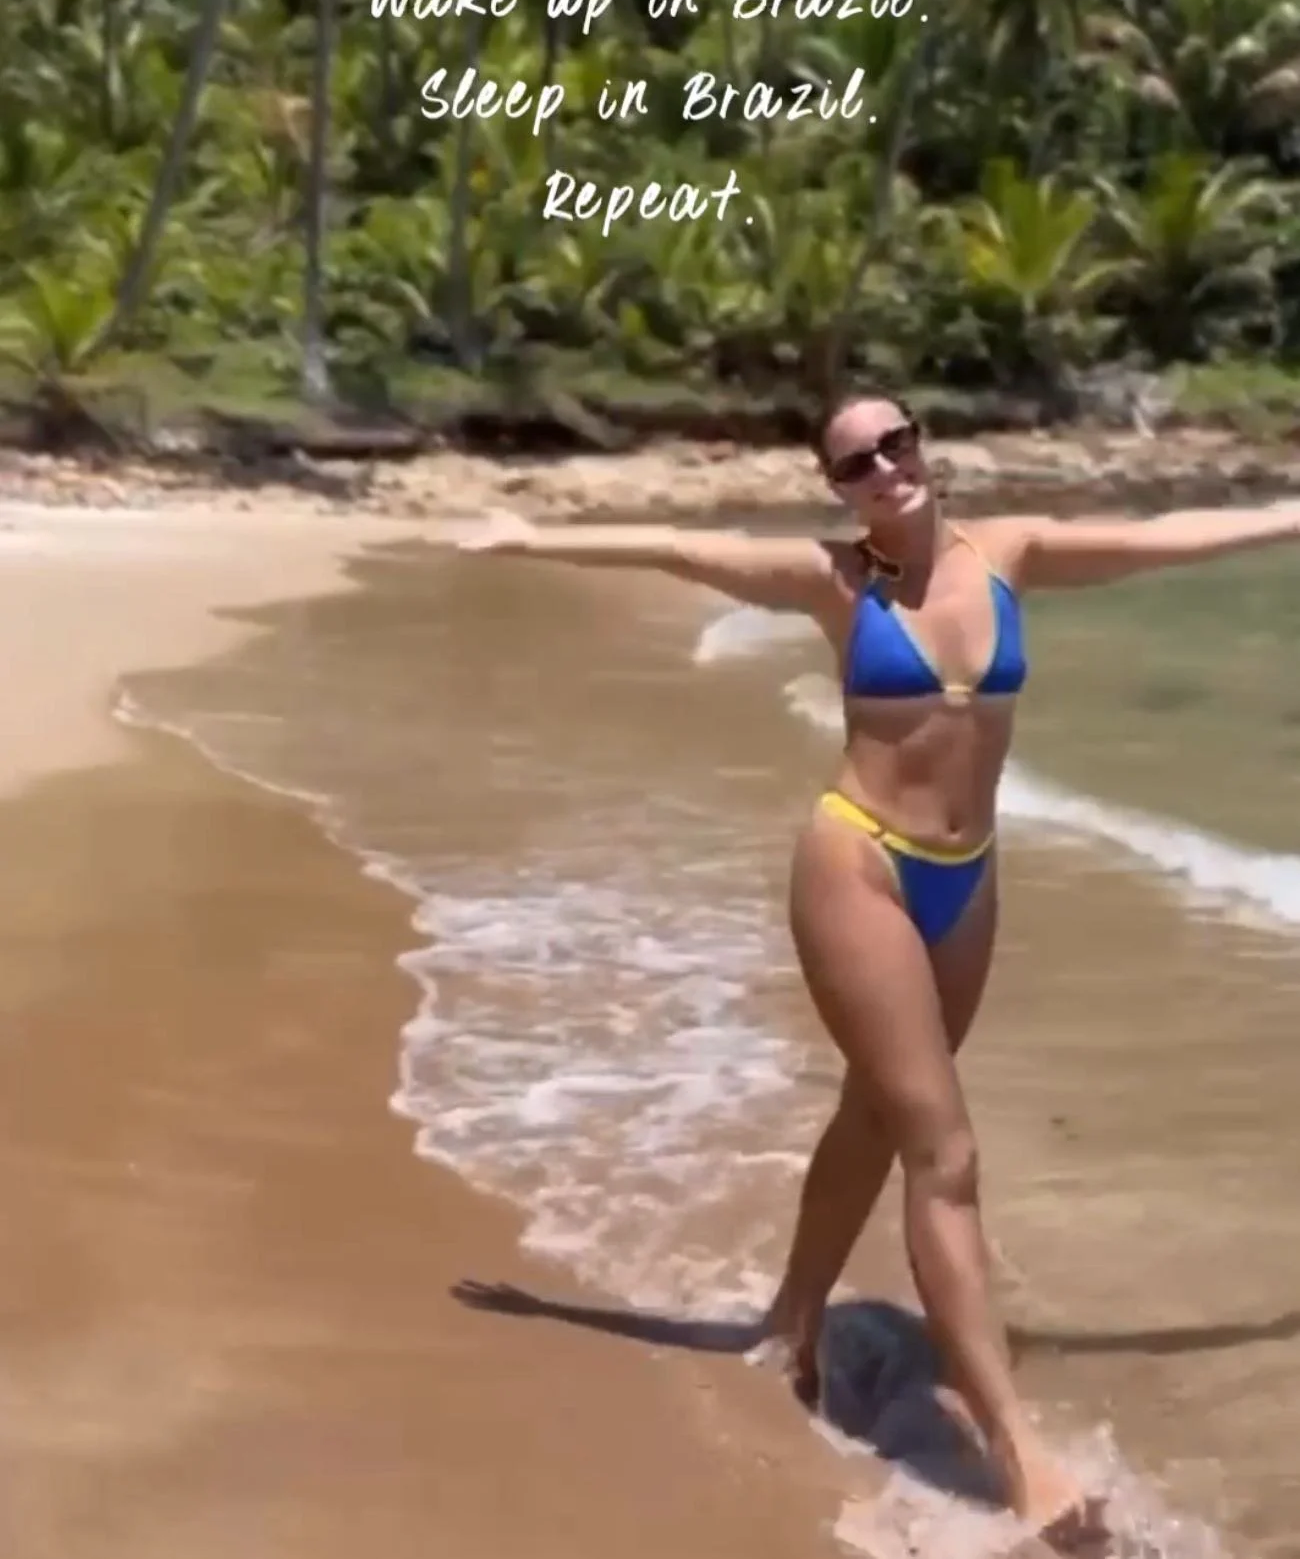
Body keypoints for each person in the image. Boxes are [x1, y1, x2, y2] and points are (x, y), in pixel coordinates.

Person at [455, 395, 1300, 1546]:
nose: (884, 465)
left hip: (967, 876)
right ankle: (1019, 1454)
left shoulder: (1010, 553)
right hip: (858, 864)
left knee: (879, 1107)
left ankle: (790, 1315)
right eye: (856, 460)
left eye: (895, 441)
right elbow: (680, 546)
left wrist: (1289, 514)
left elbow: (1168, 538)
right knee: (943, 1151)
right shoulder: (832, 580)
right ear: (837, 485)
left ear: (922, 445)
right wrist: (525, 537)